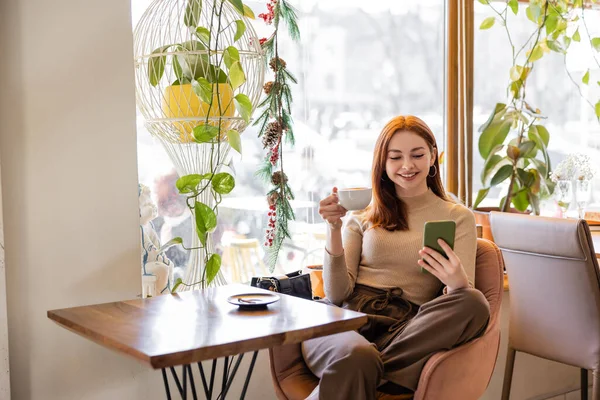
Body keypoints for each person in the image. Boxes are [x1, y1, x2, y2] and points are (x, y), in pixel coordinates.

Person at [302, 115, 490, 400]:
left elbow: (459, 305)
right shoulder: (362, 215)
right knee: (357, 356)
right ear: (383, 163)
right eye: (396, 157)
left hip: (408, 329)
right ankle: (373, 371)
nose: (407, 166)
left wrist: (458, 283)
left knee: (474, 302)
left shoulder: (456, 216)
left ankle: (362, 372)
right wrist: (334, 229)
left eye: (417, 155)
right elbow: (337, 293)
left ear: (432, 158)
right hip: (344, 320)